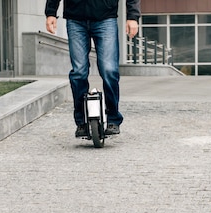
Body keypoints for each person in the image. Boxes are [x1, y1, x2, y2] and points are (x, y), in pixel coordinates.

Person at [45, 0, 140, 137]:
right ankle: (81, 122)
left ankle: (113, 118)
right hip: (75, 19)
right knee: (79, 72)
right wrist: (51, 12)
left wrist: (133, 16)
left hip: (105, 19)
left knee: (109, 70)